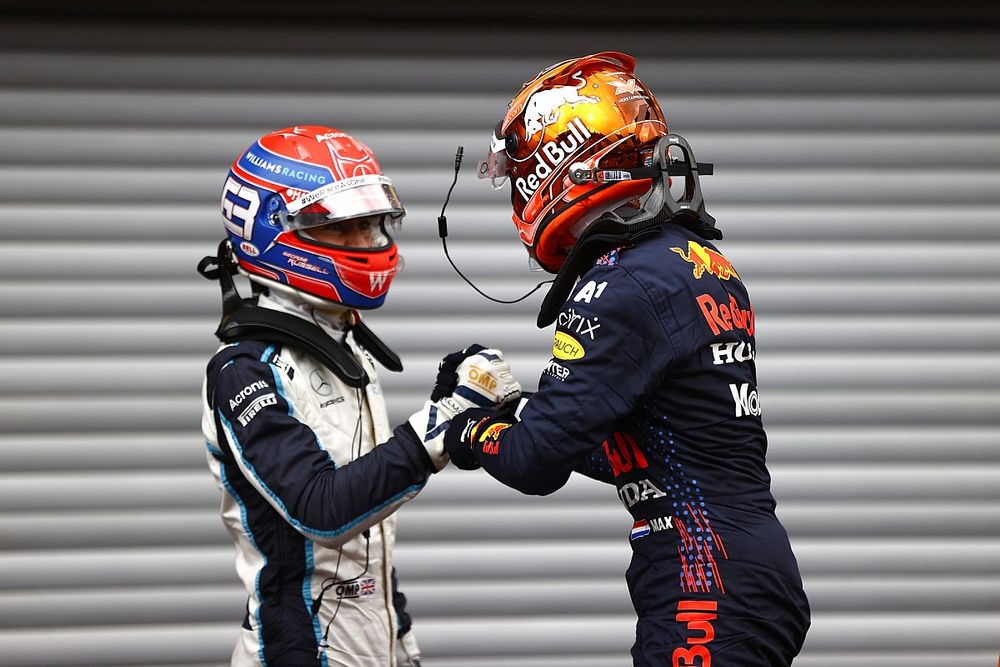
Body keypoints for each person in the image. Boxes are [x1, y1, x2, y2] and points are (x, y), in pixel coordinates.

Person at [444, 53, 811, 665]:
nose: (516, 189)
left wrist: (470, 430)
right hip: (737, 569)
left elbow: (536, 463)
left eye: (519, 172)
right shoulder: (694, 262)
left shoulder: (621, 285)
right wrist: (522, 409)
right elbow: (651, 450)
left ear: (554, 165)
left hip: (705, 581)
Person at [198, 125, 520, 666]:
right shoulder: (243, 371)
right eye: (343, 228)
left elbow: (369, 545)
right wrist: (439, 426)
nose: (368, 242)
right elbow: (323, 512)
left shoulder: (346, 346)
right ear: (273, 233)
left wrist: (404, 646)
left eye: (372, 223)